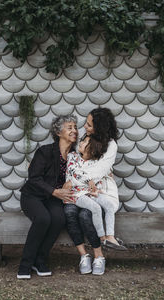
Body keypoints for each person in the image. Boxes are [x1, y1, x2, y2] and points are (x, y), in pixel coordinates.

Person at [17, 115, 78, 279]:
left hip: (53, 199)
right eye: (70, 127)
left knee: (59, 219)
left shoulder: (75, 155)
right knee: (43, 218)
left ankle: (40, 260)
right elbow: (34, 178)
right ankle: (25, 264)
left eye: (75, 127)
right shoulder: (45, 151)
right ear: (59, 132)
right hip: (33, 196)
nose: (74, 130)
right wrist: (54, 191)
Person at [64, 107, 120, 275]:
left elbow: (99, 170)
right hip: (77, 190)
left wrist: (89, 179)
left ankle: (99, 255)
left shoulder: (110, 145)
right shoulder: (85, 137)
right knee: (69, 212)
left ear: (100, 128)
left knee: (85, 215)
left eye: (89, 125)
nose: (85, 127)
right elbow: (76, 162)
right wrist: (78, 178)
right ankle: (84, 255)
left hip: (97, 190)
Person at [65, 134, 126, 250]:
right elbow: (74, 174)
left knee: (108, 205)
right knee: (96, 208)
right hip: (76, 194)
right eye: (82, 141)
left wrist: (96, 188)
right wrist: (88, 179)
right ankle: (102, 238)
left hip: (90, 193)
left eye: (85, 142)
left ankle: (110, 236)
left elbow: (98, 178)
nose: (81, 143)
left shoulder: (95, 162)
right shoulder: (73, 157)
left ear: (91, 149)